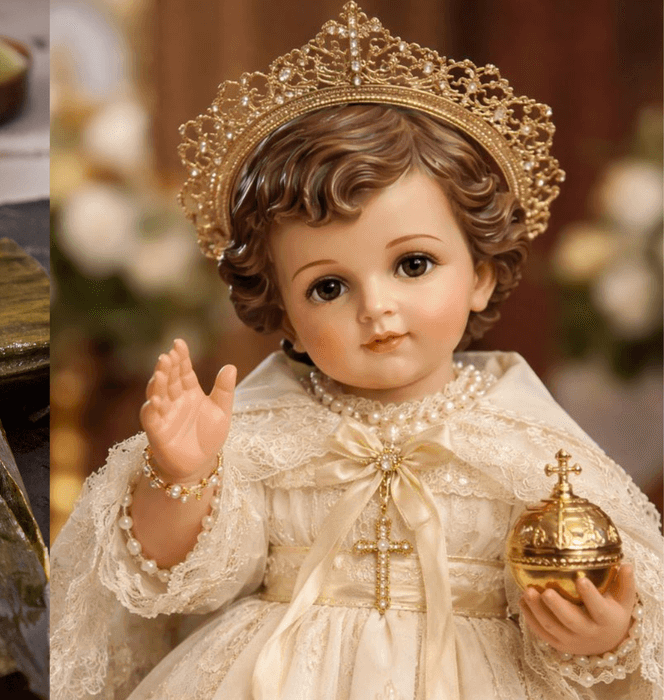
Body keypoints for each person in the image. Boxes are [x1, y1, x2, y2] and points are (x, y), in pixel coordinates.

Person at [49, 3, 664, 699]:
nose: (376, 308)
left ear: (481, 273)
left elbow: (611, 609)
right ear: (280, 308)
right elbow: (171, 579)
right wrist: (181, 475)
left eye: (412, 265)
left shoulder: (527, 443)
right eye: (329, 286)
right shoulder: (264, 432)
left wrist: (599, 635)